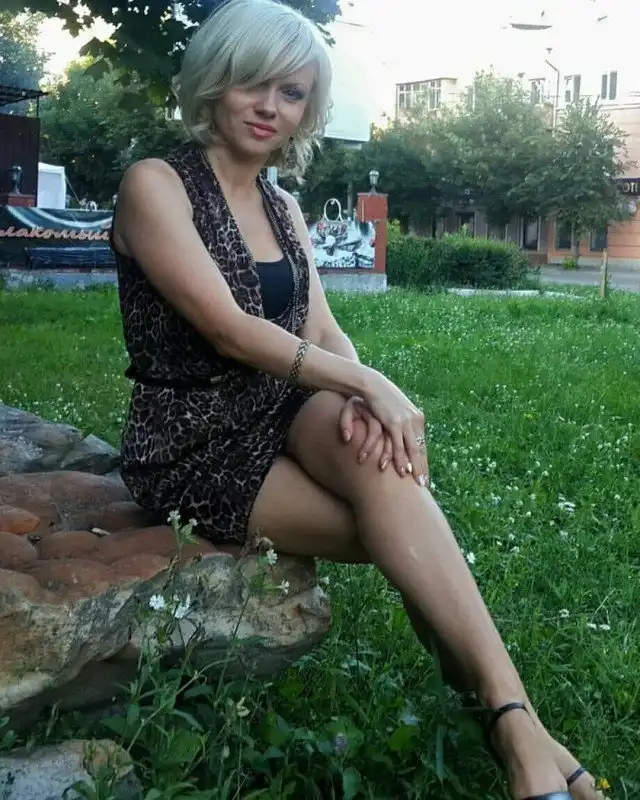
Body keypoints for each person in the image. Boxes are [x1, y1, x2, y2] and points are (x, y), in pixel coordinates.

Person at [110, 1, 603, 798]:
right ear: (214, 80)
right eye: (253, 83)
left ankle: (516, 729)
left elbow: (321, 328)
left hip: (279, 410)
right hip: (191, 441)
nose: (271, 107)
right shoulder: (155, 185)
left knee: (388, 475)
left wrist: (365, 403)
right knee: (401, 527)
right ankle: (528, 735)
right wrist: (371, 385)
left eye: (293, 93)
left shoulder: (282, 207)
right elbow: (229, 330)